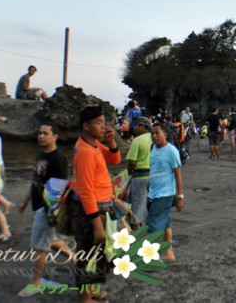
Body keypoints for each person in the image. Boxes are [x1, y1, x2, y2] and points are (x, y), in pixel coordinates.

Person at [70, 105, 120, 303]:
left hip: (101, 206)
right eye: (98, 123)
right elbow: (86, 190)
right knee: (88, 255)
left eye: (104, 122)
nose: (103, 126)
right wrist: (97, 225)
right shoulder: (85, 151)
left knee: (97, 255)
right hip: (91, 211)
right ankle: (84, 299)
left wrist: (111, 141)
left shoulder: (94, 144)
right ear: (86, 126)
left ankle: (90, 291)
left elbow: (115, 159)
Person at [17, 123, 72, 297]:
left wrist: (53, 212)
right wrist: (25, 200)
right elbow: (35, 180)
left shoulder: (59, 159)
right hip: (36, 205)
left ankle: (35, 283)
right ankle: (80, 262)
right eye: (39, 133)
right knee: (50, 240)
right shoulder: (41, 155)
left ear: (55, 136)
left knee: (39, 246)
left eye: (45, 133)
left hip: (46, 209)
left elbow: (61, 188)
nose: (41, 136)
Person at [147, 122, 184, 261]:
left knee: (152, 225)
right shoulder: (153, 148)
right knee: (165, 224)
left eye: (157, 133)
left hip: (165, 194)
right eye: (152, 133)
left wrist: (180, 196)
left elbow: (177, 174)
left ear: (165, 134)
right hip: (153, 193)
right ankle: (169, 253)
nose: (154, 136)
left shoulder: (171, 150)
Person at [126, 117, 153, 229]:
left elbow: (132, 162)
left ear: (141, 126)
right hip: (152, 176)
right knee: (146, 205)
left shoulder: (137, 141)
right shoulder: (154, 138)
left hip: (139, 177)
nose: (134, 128)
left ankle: (137, 237)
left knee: (135, 209)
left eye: (136, 125)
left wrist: (128, 173)